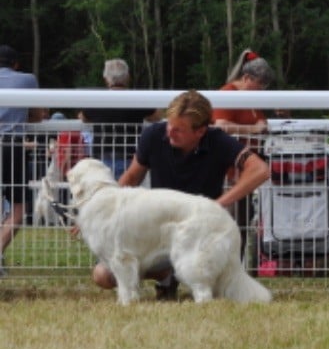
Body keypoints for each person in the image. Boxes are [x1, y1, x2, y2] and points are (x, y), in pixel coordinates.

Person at [91, 90, 270, 300]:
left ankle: (199, 280)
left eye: (179, 130)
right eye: (169, 125)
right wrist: (98, 209)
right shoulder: (153, 136)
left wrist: (219, 204)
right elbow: (131, 178)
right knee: (102, 275)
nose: (169, 133)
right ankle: (167, 276)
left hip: (199, 234)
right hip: (160, 237)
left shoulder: (218, 141)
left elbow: (260, 169)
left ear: (201, 131)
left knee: (203, 271)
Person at [212, 49, 275, 260]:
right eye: (260, 86)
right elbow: (220, 126)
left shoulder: (250, 99)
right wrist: (254, 130)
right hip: (229, 172)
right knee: (228, 224)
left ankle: (236, 267)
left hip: (245, 172)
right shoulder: (228, 94)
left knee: (241, 222)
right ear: (246, 78)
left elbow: (258, 123)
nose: (262, 92)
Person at [0, 45, 44, 274]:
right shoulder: (27, 80)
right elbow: (39, 115)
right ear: (15, 65)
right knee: (19, 206)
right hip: (10, 144)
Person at [79, 59, 161, 179]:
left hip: (102, 159)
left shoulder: (97, 100)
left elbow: (83, 117)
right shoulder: (137, 99)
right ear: (127, 77)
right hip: (130, 160)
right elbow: (157, 116)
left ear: (106, 79)